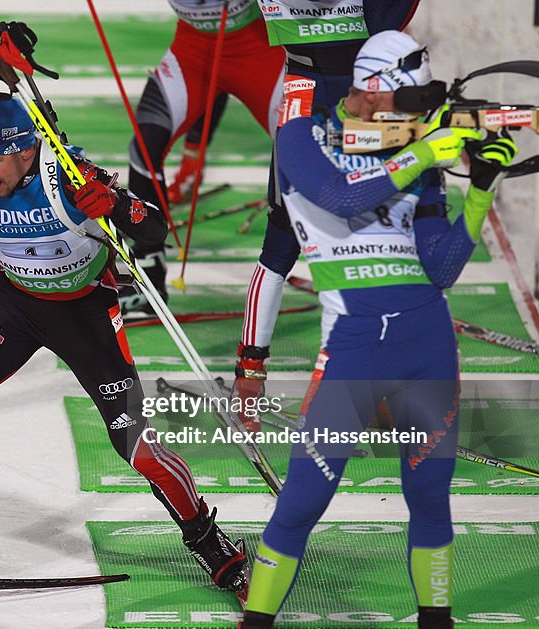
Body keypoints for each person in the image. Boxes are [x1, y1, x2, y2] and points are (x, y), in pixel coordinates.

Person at [0, 95, 251, 596]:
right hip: (15, 305)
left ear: (27, 151)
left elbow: (155, 229)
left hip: (84, 313)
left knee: (136, 445)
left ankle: (209, 542)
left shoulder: (68, 174)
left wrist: (116, 206)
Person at [238, 31, 517, 628]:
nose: (414, 118)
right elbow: (339, 196)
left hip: (428, 343)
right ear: (369, 92)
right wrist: (426, 151)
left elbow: (440, 268)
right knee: (302, 504)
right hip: (356, 350)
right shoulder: (302, 135)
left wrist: (480, 193)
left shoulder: (418, 157)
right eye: (406, 103)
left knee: (430, 499)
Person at [233, 0, 423, 427]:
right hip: (315, 94)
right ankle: (249, 376)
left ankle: (368, 377)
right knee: (282, 241)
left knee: (376, 240)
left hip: (362, 98)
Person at [122, 0, 285, 313]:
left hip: (258, 50)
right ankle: (149, 278)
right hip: (193, 54)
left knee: (299, 147)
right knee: (144, 149)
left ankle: (303, 261)